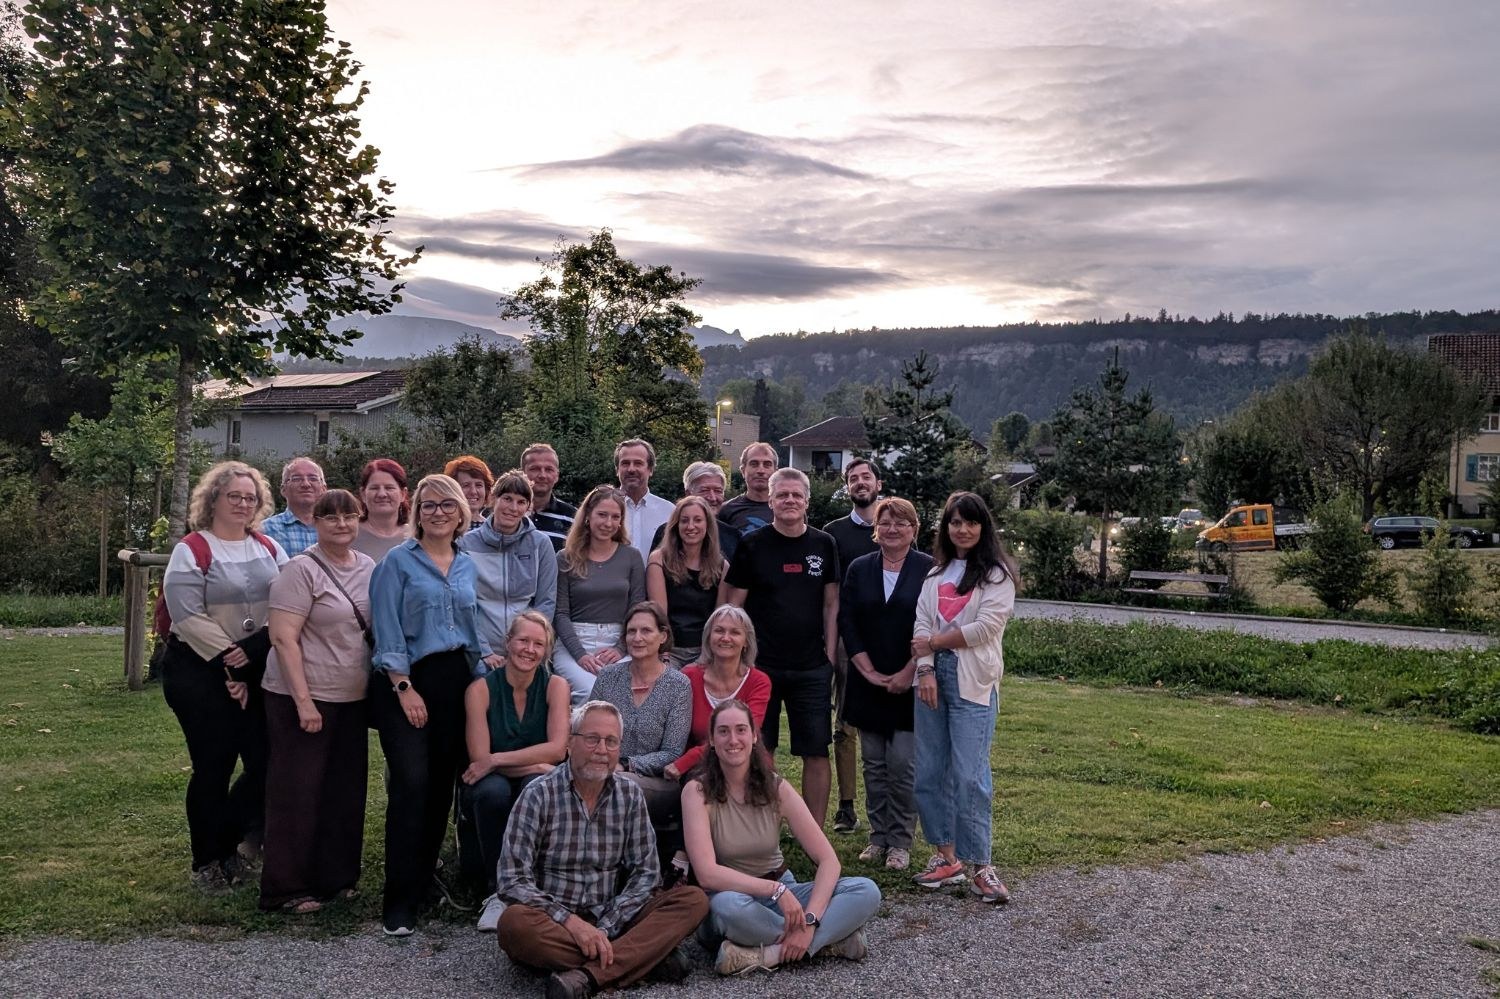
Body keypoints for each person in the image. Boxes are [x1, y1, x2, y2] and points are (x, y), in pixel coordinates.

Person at [496, 701, 708, 999]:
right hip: (556, 924)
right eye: (592, 739)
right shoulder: (538, 795)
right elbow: (512, 880)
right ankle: (642, 959)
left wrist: (605, 929)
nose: (601, 750)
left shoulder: (629, 794)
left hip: (614, 916)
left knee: (693, 900)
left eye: (611, 742)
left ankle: (589, 976)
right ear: (570, 743)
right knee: (513, 925)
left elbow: (646, 873)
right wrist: (571, 923)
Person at [160, 461, 288, 891]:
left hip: (253, 666)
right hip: (198, 672)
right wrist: (229, 662)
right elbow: (186, 614)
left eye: (250, 497)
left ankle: (226, 841)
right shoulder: (193, 548)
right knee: (213, 766)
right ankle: (207, 862)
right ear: (213, 499)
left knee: (265, 763)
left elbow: (287, 601)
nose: (243, 503)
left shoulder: (268, 547)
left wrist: (251, 655)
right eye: (234, 495)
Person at [682, 699, 880, 977]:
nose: (733, 740)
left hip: (782, 893)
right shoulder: (696, 791)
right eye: (723, 731)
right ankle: (829, 943)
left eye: (741, 730)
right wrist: (775, 891)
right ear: (712, 740)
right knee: (727, 908)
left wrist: (809, 921)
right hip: (732, 899)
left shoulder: (776, 787)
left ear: (754, 736)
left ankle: (768, 954)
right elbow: (707, 874)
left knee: (866, 890)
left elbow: (828, 861)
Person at [369, 473, 485, 936]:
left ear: (461, 513)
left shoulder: (467, 564)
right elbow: (386, 628)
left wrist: (483, 676)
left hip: (456, 681)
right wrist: (403, 685)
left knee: (440, 789)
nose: (438, 512)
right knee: (411, 784)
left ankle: (423, 883)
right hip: (408, 682)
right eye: (429, 505)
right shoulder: (397, 562)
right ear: (416, 512)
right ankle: (398, 901)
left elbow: (471, 631)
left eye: (447, 505)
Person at [261, 488, 373, 912]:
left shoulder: (367, 566)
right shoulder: (300, 570)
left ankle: (336, 877)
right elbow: (282, 638)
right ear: (316, 522)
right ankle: (286, 888)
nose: (341, 524)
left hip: (351, 696)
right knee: (298, 791)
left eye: (349, 516)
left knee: (344, 791)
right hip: (303, 696)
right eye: (331, 517)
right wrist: (304, 702)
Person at [910, 490, 1017, 904]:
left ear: (982, 526)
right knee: (930, 772)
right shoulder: (936, 574)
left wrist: (935, 645)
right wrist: (925, 670)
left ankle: (981, 866)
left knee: (969, 776)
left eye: (971, 522)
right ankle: (946, 856)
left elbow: (985, 628)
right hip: (931, 680)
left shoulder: (996, 575)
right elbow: (920, 624)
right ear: (946, 527)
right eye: (955, 522)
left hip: (973, 682)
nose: (963, 529)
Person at [723, 467, 840, 827]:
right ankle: (764, 827)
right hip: (762, 666)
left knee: (816, 751)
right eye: (782, 495)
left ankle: (813, 831)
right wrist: (739, 658)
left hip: (811, 666)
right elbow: (734, 606)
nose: (790, 500)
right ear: (771, 501)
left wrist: (829, 656)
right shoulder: (752, 544)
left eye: (796, 495)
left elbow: (831, 604)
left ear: (807, 501)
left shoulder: (824, 544)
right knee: (761, 748)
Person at [838, 497, 932, 872]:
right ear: (875, 529)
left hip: (912, 680)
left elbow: (933, 624)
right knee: (874, 765)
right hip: (868, 681)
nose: (892, 529)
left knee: (902, 765)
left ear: (914, 529)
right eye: (885, 523)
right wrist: (866, 670)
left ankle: (900, 841)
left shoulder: (929, 570)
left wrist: (909, 671)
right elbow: (848, 621)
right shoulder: (860, 568)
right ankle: (878, 837)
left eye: (901, 523)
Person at [460, 611, 570, 933]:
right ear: (507, 642)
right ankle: (498, 892)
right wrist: (531, 762)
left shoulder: (556, 686)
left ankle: (536, 885)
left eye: (538, 644)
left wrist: (498, 760)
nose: (529, 650)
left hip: (525, 775)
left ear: (546, 651)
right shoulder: (480, 689)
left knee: (536, 783)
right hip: (491, 782)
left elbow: (557, 749)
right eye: (523, 640)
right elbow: (479, 759)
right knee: (494, 791)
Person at [590, 602, 692, 838]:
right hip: (602, 770)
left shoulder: (678, 685)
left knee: (617, 785)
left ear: (662, 636)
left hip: (656, 782)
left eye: (646, 631)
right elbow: (588, 728)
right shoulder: (607, 677)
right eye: (631, 631)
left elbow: (672, 752)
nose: (637, 638)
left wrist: (625, 764)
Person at [821, 458, 883, 834]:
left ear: (878, 483)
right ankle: (846, 807)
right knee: (844, 723)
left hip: (888, 639)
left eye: (866, 477)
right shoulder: (833, 533)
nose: (860, 483)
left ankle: (886, 810)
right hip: (847, 638)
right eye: (853, 478)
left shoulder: (894, 525)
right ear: (847, 487)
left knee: (884, 727)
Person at [553, 486, 646, 706]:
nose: (608, 523)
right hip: (574, 642)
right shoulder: (565, 558)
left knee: (621, 695)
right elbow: (560, 613)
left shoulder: (631, 557)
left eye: (615, 517)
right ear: (588, 516)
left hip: (618, 641)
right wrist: (580, 655)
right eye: (602, 515)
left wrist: (620, 648)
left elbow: (638, 608)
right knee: (589, 692)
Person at [458, 468, 558, 668]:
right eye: (507, 499)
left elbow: (546, 602)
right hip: (480, 651)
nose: (513, 508)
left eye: (521, 502)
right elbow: (463, 604)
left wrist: (525, 648)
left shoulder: (540, 544)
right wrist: (484, 651)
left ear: (528, 506)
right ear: (493, 499)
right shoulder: (466, 544)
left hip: (527, 651)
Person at [664, 605, 771, 782]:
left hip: (744, 761)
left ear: (746, 641)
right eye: (719, 631)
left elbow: (746, 734)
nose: (725, 638)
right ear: (708, 638)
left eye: (735, 632)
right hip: (700, 768)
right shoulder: (688, 677)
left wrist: (685, 761)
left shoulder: (758, 681)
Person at [646, 496, 726, 668]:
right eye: (684, 521)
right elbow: (659, 614)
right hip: (669, 649)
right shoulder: (659, 560)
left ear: (708, 525)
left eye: (698, 520)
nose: (690, 526)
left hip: (706, 650)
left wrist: (706, 657)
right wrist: (664, 654)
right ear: (676, 525)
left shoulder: (721, 566)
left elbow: (719, 618)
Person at [650, 461, 741, 563]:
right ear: (689, 494)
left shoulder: (731, 536)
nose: (713, 498)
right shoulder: (666, 532)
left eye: (718, 491)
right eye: (705, 490)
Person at [615, 438, 674, 562]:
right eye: (625, 463)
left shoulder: (669, 512)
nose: (631, 469)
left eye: (638, 463)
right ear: (617, 469)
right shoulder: (603, 510)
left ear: (650, 469)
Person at [260, 457, 326, 557]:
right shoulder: (265, 530)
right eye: (297, 479)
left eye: (313, 478)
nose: (306, 484)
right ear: (283, 489)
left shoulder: (337, 528)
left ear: (324, 488)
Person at [521, 442, 575, 553]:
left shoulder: (572, 517)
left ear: (557, 475)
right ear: (522, 473)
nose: (542, 475)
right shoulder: (504, 513)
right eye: (535, 469)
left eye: (549, 469)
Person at [353, 457, 410, 561]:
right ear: (363, 494)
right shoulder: (349, 534)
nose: (382, 494)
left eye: (389, 488)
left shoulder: (417, 537)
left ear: (403, 494)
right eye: (374, 488)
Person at [718, 442, 777, 539]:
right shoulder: (726, 511)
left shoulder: (788, 508)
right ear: (743, 470)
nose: (761, 471)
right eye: (754, 464)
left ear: (775, 472)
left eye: (767, 465)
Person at [445, 455, 495, 532]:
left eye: (478, 485)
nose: (473, 491)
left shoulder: (494, 530)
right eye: (466, 485)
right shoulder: (444, 528)